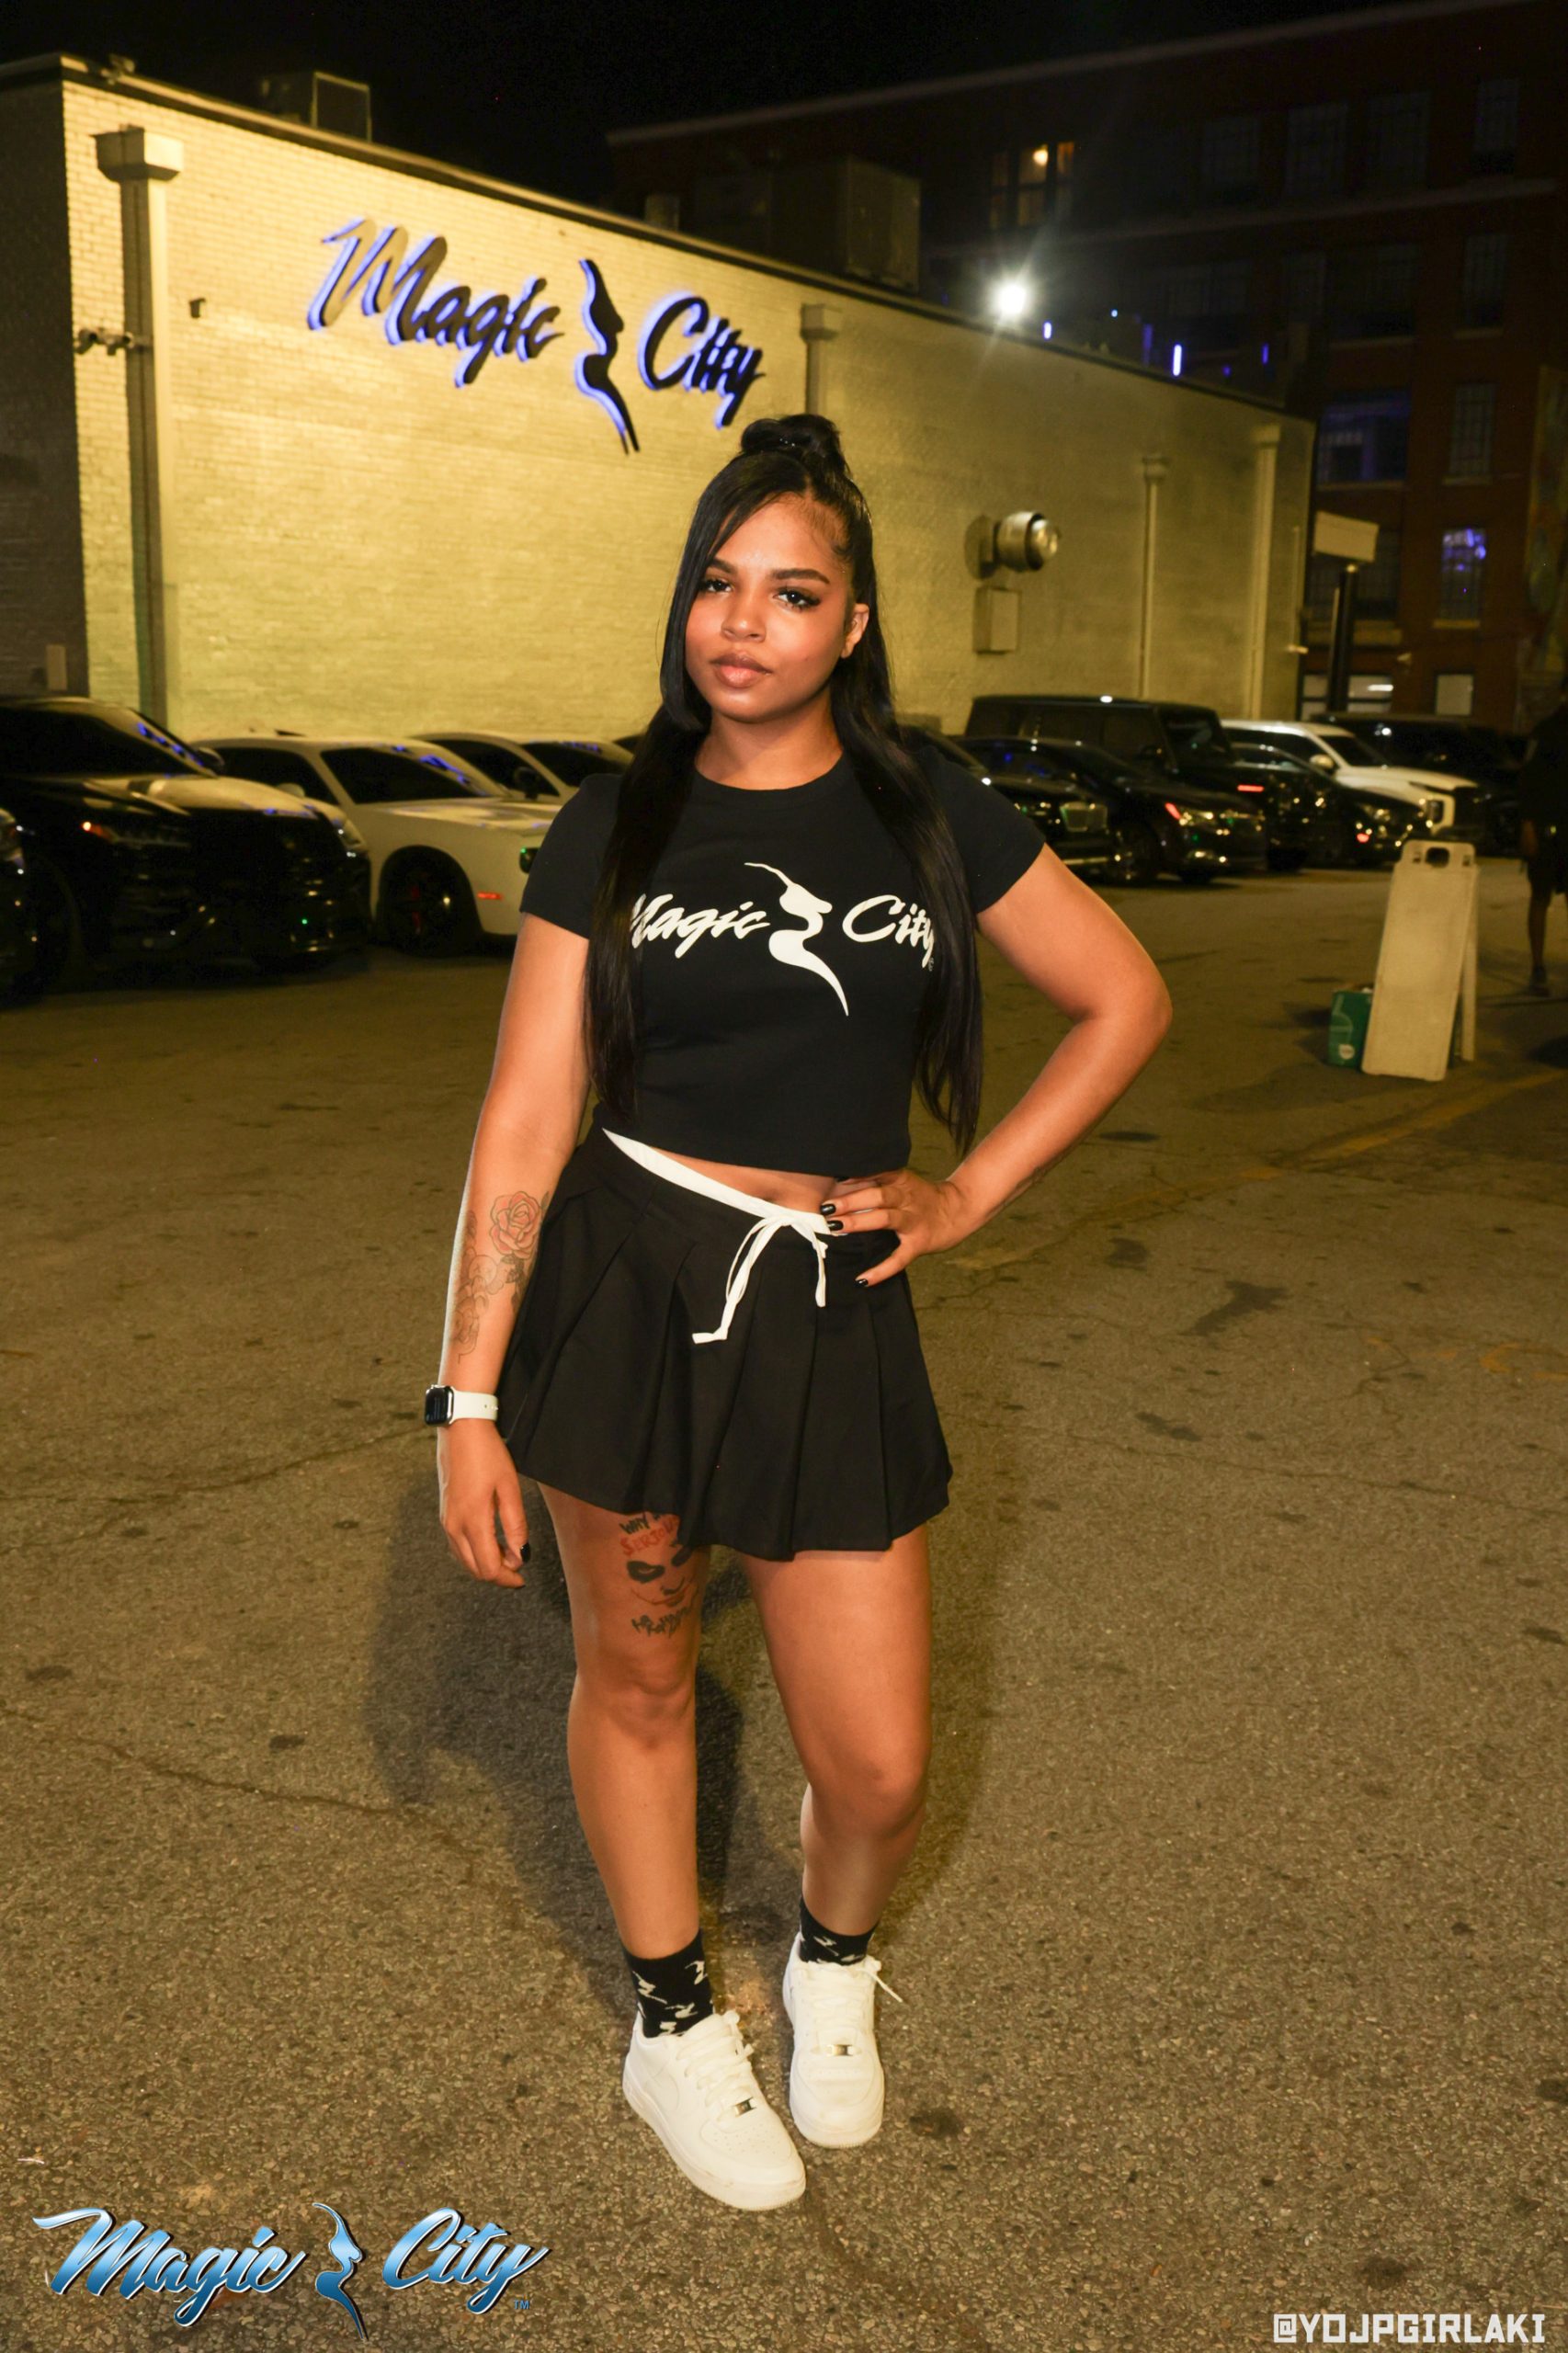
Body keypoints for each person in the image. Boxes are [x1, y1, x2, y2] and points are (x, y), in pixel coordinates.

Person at [428, 412, 1172, 2212]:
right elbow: (524, 1117)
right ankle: (672, 2017)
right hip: (632, 1287)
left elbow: (1123, 999)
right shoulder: (615, 821)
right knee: (639, 1676)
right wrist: (466, 1395)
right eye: (717, 582)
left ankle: (833, 1956)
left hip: (832, 1301)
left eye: (789, 591)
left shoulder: (928, 809)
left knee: (880, 1761)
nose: (741, 622)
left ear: (853, 622)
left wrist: (966, 1192)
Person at [1518, 684, 1568, 996]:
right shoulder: (1546, 731)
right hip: (1546, 828)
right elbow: (1527, 778)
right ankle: (1537, 967)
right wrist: (1527, 825)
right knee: (1540, 897)